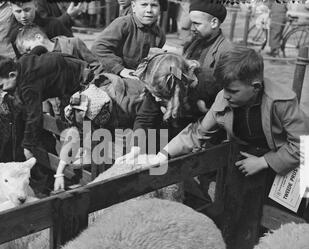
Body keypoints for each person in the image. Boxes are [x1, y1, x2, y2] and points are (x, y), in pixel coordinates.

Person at [122, 47, 309, 180]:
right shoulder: (224, 97)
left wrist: (265, 162)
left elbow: (303, 146)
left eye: (233, 91)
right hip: (246, 160)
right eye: (224, 90)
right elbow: (197, 133)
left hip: (285, 166)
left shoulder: (281, 102)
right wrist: (163, 155)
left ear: (255, 87)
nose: (225, 96)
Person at [0, 52, 92, 193]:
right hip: (72, 66)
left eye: (2, 85)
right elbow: (38, 50)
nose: (3, 90)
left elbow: (35, 116)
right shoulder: (22, 63)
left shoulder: (29, 85)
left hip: (79, 81)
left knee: (77, 122)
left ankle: (81, 172)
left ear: (12, 75)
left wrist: (28, 145)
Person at [132, 0, 231, 143]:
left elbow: (223, 100)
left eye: (196, 23)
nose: (191, 28)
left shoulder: (227, 53)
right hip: (178, 107)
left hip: (200, 121)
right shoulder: (193, 42)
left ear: (214, 23)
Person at [91, 0, 165, 80]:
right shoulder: (123, 24)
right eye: (144, 5)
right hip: (111, 73)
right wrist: (120, 69)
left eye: (154, 5)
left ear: (160, 8)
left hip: (138, 77)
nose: (149, 10)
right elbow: (98, 48)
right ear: (133, 6)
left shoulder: (160, 34)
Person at [15, 24, 102, 76]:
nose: (31, 54)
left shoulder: (74, 43)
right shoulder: (39, 62)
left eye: (29, 49)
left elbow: (96, 67)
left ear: (39, 37)